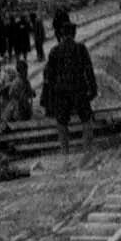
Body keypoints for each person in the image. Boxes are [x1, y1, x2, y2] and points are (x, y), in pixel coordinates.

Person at [40, 16, 98, 153]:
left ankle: (65, 151)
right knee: (86, 119)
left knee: (61, 122)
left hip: (61, 92)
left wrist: (49, 97)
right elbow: (89, 70)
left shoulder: (54, 51)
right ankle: (87, 149)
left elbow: (48, 76)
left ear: (61, 34)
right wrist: (93, 89)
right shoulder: (80, 48)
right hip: (79, 89)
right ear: (74, 34)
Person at [0, 57, 34, 124]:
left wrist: (30, 92)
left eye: (26, 70)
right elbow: (11, 94)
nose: (26, 72)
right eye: (24, 70)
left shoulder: (25, 81)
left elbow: (29, 92)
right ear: (20, 71)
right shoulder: (17, 81)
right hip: (18, 107)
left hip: (24, 106)